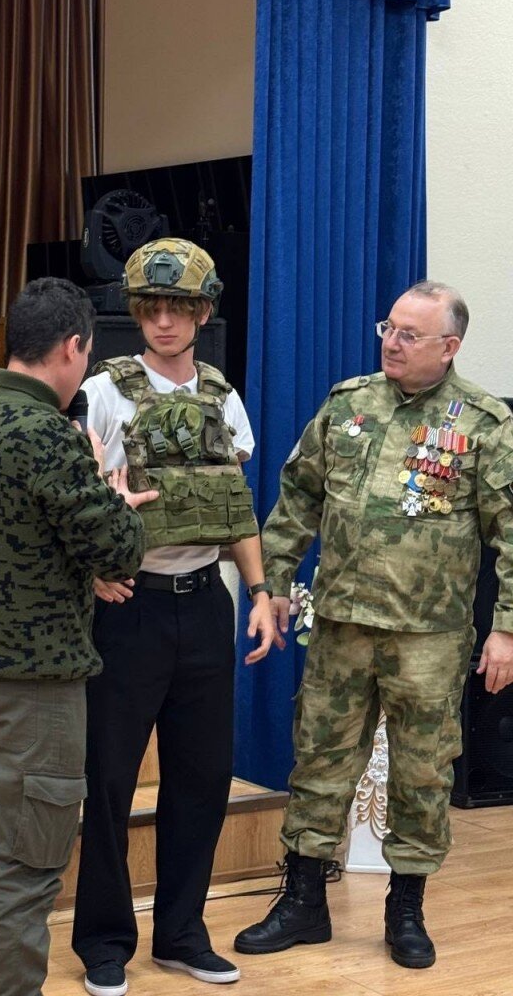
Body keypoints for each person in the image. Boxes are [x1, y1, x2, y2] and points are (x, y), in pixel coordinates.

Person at [234, 281, 513, 969]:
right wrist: (272, 584)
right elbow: (297, 499)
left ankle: (406, 909)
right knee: (320, 758)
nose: (392, 342)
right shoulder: (348, 404)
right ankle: (304, 901)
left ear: (449, 346)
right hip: (342, 625)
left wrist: (506, 627)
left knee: (422, 773)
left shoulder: (484, 423)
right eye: (388, 328)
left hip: (429, 635)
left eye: (410, 334)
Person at [0, 277, 156, 996]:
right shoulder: (49, 436)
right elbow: (118, 552)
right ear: (72, 347)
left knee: (0, 856)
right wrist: (111, 493)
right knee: (27, 869)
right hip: (35, 691)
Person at [71, 238, 275, 996]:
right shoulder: (102, 392)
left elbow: (235, 507)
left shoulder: (224, 397)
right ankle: (103, 940)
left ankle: (183, 933)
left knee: (202, 778)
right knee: (110, 782)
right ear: (136, 312)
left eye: (179, 308)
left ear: (203, 313)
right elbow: (74, 500)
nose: (164, 321)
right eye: (152, 308)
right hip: (131, 609)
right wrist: (94, 567)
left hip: (204, 603)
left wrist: (259, 592)